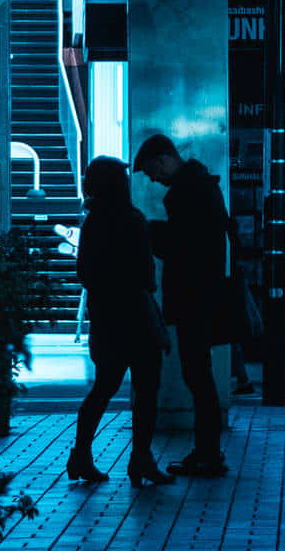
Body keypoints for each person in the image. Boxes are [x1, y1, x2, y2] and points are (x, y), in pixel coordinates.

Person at [68, 156, 173, 489]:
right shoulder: (132, 220)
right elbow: (147, 277)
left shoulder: (92, 222)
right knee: (146, 390)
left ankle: (81, 454)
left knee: (104, 388)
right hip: (137, 317)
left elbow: (83, 272)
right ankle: (141, 458)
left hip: (106, 318)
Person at [132, 132, 230, 477]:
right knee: (199, 374)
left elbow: (182, 247)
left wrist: (150, 232)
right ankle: (208, 452)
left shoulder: (189, 192)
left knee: (197, 375)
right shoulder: (203, 186)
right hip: (204, 293)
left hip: (194, 296)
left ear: (163, 159)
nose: (152, 179)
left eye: (150, 171)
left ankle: (208, 454)